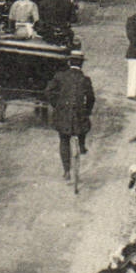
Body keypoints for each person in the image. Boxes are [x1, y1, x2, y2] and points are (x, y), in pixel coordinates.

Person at [44, 52, 94, 181]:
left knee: (64, 140)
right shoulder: (85, 79)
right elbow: (91, 98)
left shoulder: (60, 76)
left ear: (69, 62)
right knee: (84, 126)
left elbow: (48, 92)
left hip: (63, 113)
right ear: (81, 64)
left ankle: (66, 171)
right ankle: (81, 145)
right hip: (79, 113)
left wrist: (57, 105)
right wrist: (87, 111)